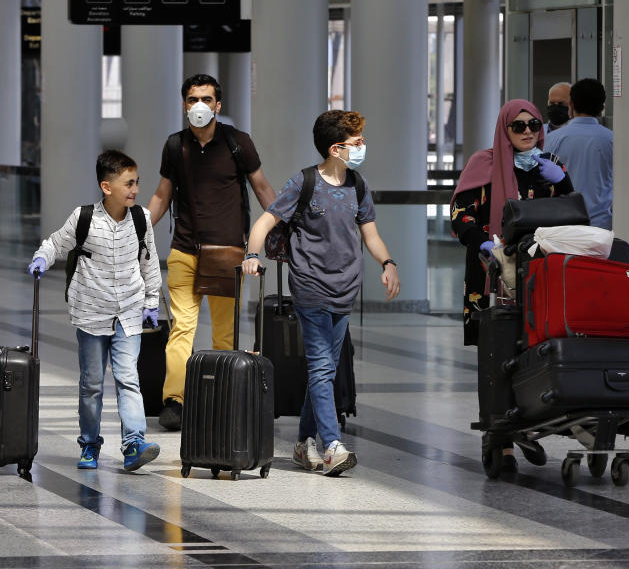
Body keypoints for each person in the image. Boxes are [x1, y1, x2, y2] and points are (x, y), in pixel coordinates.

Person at [241, 110, 400, 477]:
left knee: (324, 369)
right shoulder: (304, 183)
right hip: (310, 285)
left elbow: (370, 235)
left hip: (346, 289)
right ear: (335, 148)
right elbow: (267, 220)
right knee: (322, 366)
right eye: (356, 142)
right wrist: (252, 254)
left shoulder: (357, 185)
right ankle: (331, 444)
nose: (362, 146)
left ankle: (303, 443)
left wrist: (387, 263)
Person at [146, 73, 276, 431]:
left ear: (218, 105)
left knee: (225, 333)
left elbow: (262, 188)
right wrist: (136, 229)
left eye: (206, 99)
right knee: (181, 329)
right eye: (192, 99)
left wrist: (281, 228)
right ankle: (174, 401)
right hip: (185, 251)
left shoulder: (238, 143)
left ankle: (225, 394)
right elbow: (161, 195)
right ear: (184, 104)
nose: (198, 106)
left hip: (227, 256)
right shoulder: (176, 146)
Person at [451, 99, 573, 471]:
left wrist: (563, 182)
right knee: (497, 357)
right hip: (493, 275)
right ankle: (501, 439)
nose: (526, 133)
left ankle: (527, 428)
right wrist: (484, 241)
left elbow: (572, 213)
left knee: (533, 352)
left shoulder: (550, 168)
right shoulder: (483, 164)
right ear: (504, 129)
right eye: (517, 126)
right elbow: (460, 215)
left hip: (541, 277)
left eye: (533, 125)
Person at [26, 151, 161, 472]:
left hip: (128, 313)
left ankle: (133, 444)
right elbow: (56, 242)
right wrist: (42, 258)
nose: (135, 189)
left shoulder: (141, 218)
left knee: (129, 379)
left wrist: (152, 301)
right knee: (92, 383)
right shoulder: (84, 218)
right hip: (90, 313)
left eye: (136, 182)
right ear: (106, 186)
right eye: (128, 183)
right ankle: (89, 444)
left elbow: (149, 262)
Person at [545, 78, 614, 230]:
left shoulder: (553, 139)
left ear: (571, 105)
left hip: (562, 224)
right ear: (602, 107)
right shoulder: (612, 140)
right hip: (602, 226)